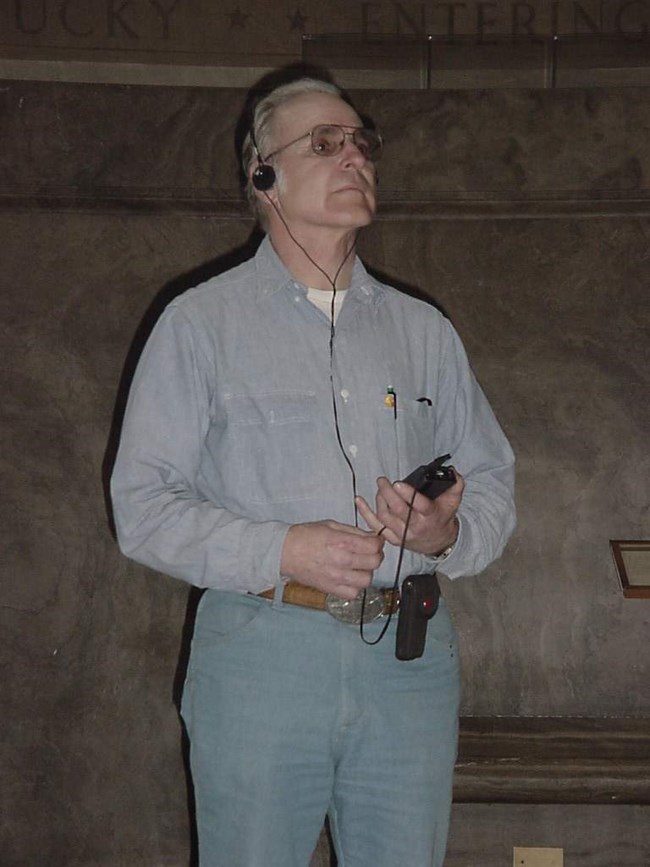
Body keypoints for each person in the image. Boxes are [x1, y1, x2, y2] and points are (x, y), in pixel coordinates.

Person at [111, 76, 516, 867]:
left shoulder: (424, 330)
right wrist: (283, 548)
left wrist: (447, 530)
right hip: (262, 654)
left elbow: (493, 479)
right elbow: (143, 506)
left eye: (362, 142)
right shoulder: (198, 324)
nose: (354, 156)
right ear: (262, 174)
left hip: (410, 657)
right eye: (325, 144)